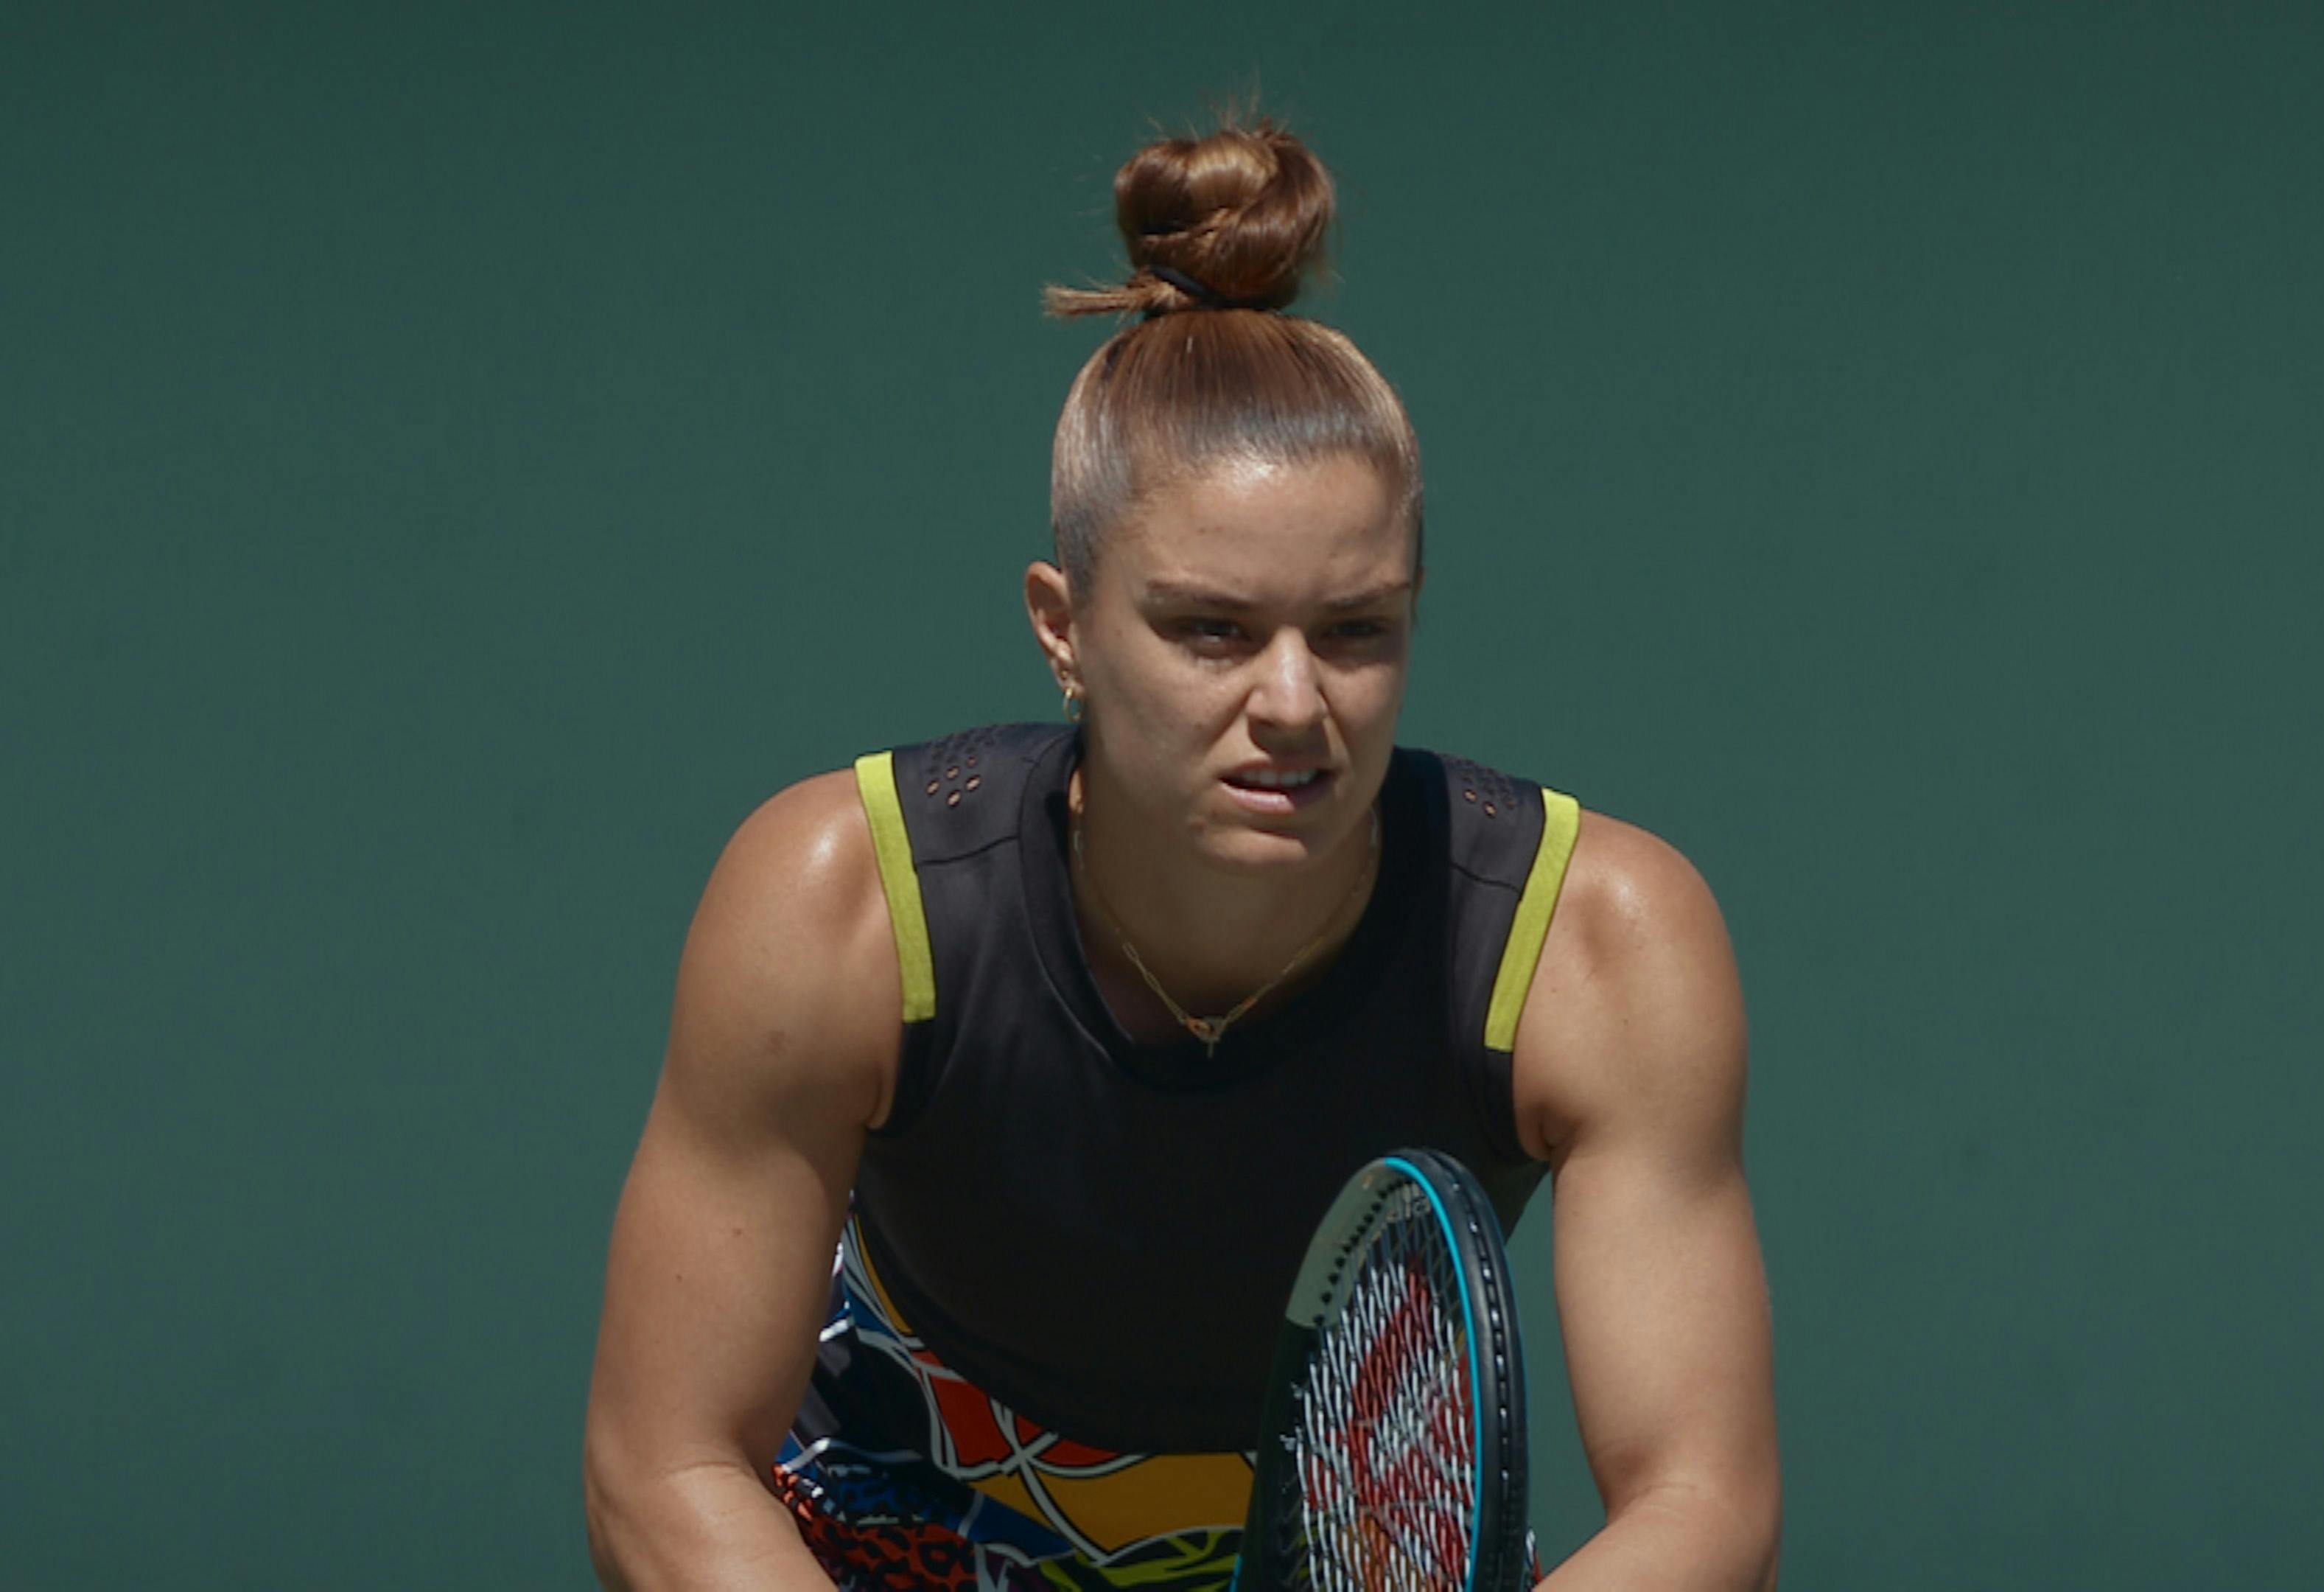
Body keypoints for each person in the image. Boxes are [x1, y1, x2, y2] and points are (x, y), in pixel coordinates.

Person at [583, 119, 1779, 1591]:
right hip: (881, 1528)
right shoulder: (841, 898)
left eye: (1356, 632)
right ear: (1062, 626)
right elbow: (667, 1465)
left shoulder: (1598, 939)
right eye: (1211, 631)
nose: (1294, 703)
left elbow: (1704, 1505)